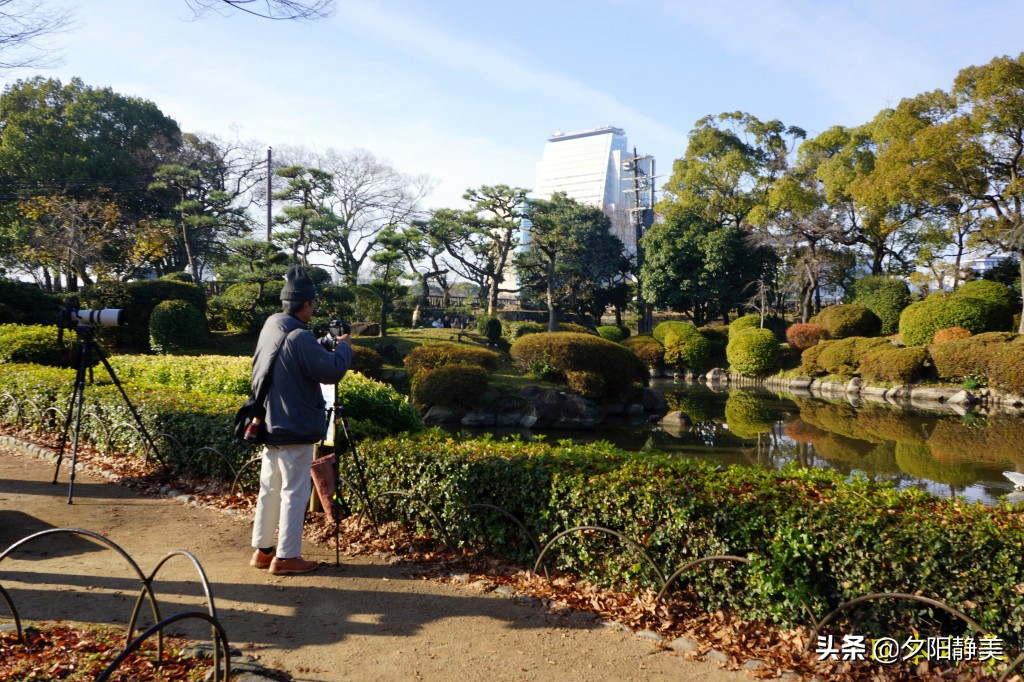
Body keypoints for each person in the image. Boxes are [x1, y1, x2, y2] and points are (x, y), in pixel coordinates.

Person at [249, 265, 353, 576]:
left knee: (270, 487)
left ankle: (263, 551)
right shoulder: (299, 336)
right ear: (306, 304)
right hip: (294, 425)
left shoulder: (273, 326)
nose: (314, 308)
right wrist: (344, 346)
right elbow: (332, 371)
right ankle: (287, 556)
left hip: (268, 421)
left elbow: (291, 354)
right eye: (313, 304)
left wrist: (320, 343)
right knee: (295, 492)